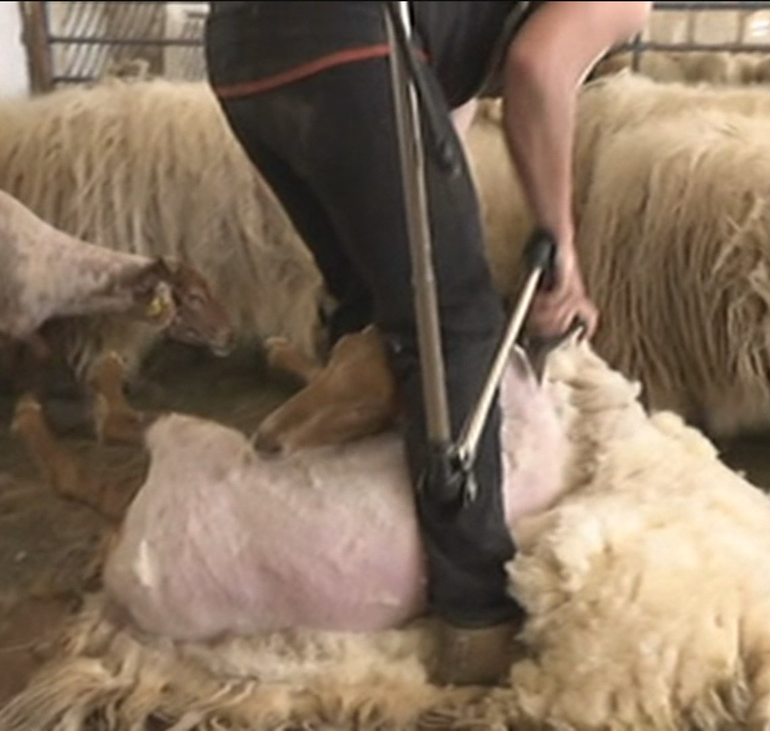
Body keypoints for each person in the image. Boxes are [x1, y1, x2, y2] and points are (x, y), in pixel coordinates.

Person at [204, 1, 652, 686]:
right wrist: (559, 244)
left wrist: (451, 237)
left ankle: (356, 525)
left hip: (244, 53)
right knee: (455, 327)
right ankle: (476, 620)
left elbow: (437, 120)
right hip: (354, 42)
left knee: (380, 305)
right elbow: (537, 69)